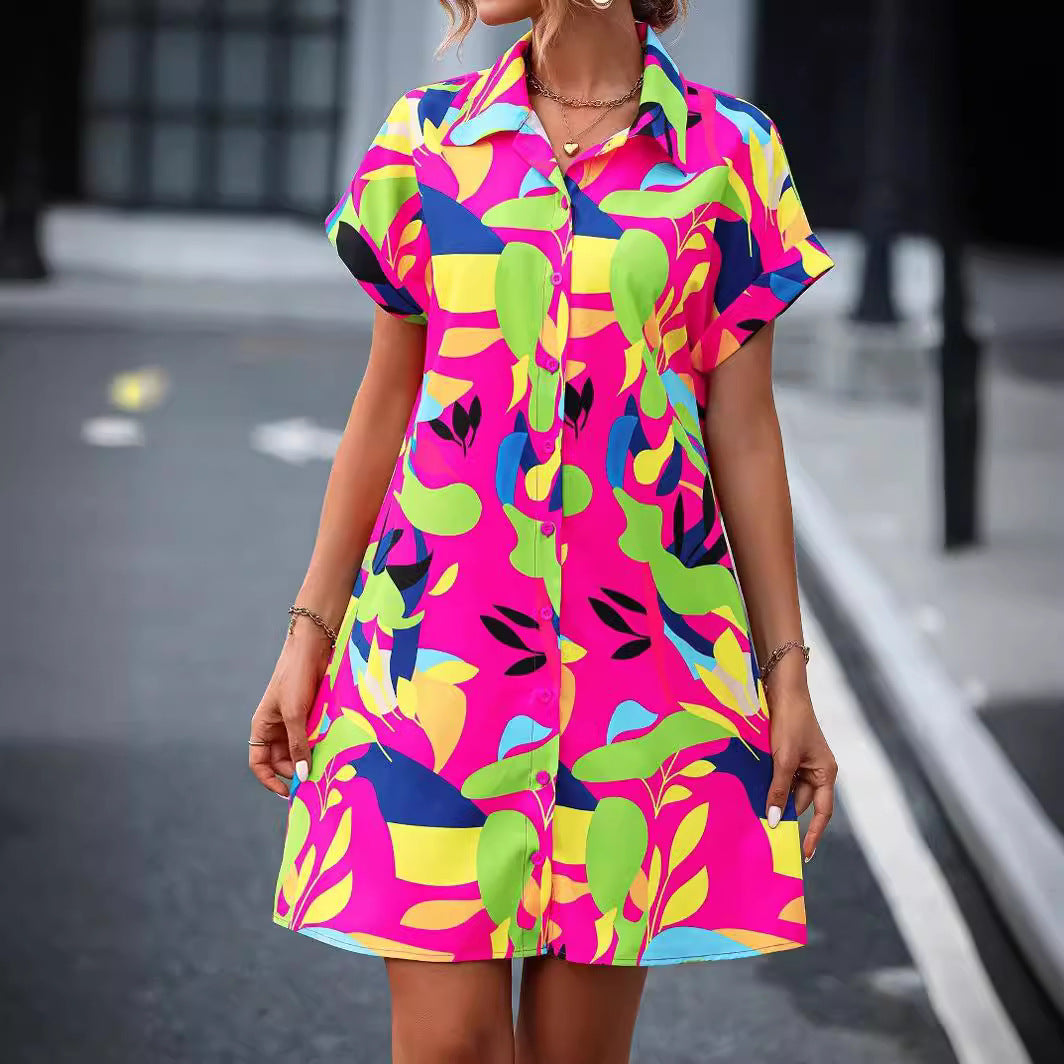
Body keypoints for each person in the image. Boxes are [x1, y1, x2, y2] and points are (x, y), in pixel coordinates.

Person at [249, 1, 839, 1061]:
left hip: (639, 679)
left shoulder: (731, 152)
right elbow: (387, 400)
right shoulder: (426, 138)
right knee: (449, 1045)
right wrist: (308, 634)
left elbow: (743, 430)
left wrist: (785, 674)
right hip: (434, 661)